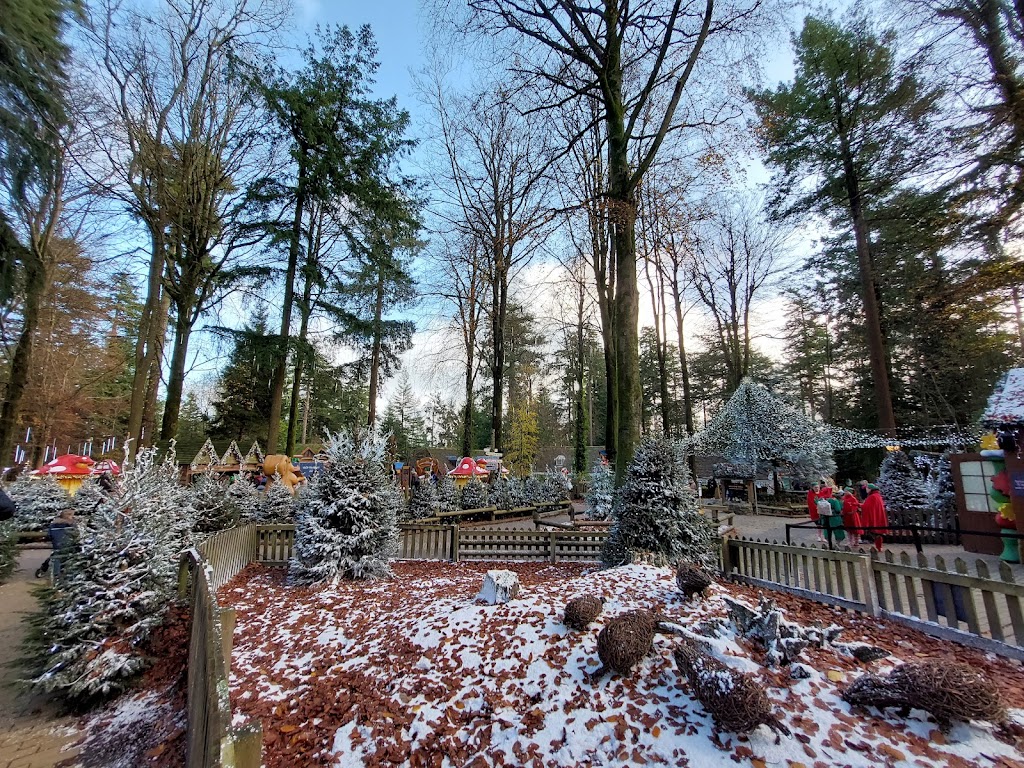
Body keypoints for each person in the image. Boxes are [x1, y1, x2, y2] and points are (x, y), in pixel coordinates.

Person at [860, 483, 888, 552]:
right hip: (878, 516)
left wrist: (859, 505)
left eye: (867, 488)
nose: (866, 490)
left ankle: (879, 547)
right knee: (878, 533)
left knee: (876, 533)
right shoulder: (877, 496)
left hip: (874, 517)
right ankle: (879, 546)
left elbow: (867, 507)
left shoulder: (872, 497)